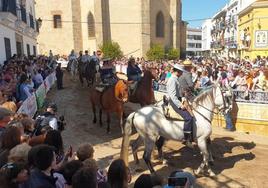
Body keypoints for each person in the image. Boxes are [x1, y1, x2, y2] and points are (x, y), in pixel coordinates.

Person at [166, 64, 193, 148]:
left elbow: (180, 92)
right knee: (188, 118)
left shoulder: (175, 79)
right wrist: (180, 105)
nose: (182, 73)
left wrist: (184, 98)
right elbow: (173, 96)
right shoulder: (172, 80)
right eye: (181, 72)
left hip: (179, 99)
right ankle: (186, 139)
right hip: (175, 102)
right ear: (177, 71)